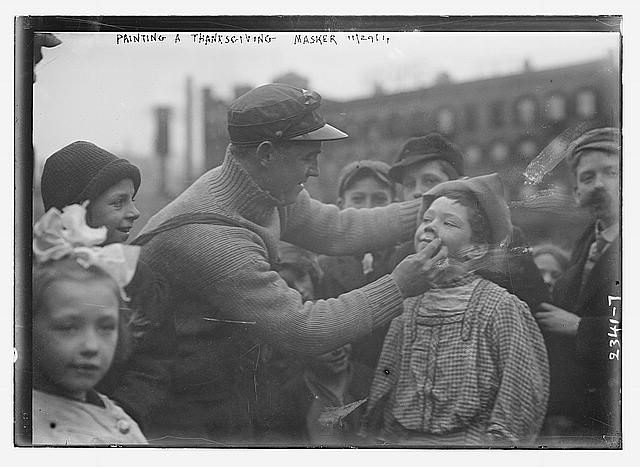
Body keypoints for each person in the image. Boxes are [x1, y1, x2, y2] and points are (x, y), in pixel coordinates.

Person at [113, 83, 448, 444]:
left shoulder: (261, 188)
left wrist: (435, 206)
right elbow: (303, 329)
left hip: (218, 382)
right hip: (174, 405)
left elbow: (338, 228)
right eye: (308, 158)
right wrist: (399, 286)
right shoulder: (211, 238)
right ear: (266, 153)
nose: (316, 171)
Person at [361, 174, 549, 447]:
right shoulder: (408, 304)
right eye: (426, 219)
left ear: (475, 250)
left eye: (448, 222)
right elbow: (386, 381)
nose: (429, 228)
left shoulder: (500, 307)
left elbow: (519, 389)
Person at [388, 134, 549, 310]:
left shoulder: (501, 240)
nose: (417, 191)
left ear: (457, 184)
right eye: (409, 184)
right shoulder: (403, 253)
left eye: (430, 180)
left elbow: (535, 307)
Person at [31, 204, 146, 445]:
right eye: (69, 327)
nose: (91, 346)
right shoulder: (37, 435)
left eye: (106, 327)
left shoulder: (101, 405)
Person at [535, 127, 621, 447]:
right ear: (576, 192)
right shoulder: (587, 239)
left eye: (611, 172)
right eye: (587, 178)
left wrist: (580, 327)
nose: (598, 184)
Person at [261, 243, 372, 446]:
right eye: (288, 284)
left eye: (303, 277)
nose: (302, 291)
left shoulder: (336, 302)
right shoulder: (287, 389)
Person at [318, 160, 397, 369]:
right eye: (358, 199)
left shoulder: (405, 259)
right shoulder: (323, 265)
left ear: (395, 205)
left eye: (380, 199)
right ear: (340, 205)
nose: (368, 209)